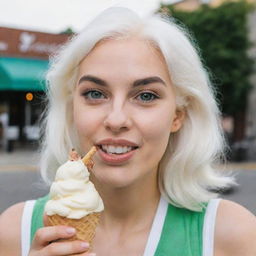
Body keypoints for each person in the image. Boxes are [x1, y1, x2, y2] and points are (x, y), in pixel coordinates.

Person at [0, 7, 256, 256]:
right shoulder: (14, 233)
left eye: (145, 96)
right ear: (71, 109)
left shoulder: (231, 236)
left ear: (177, 116)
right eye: (95, 93)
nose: (116, 119)